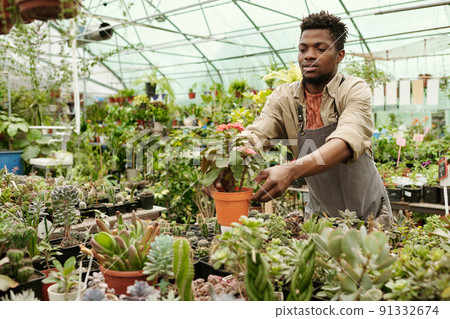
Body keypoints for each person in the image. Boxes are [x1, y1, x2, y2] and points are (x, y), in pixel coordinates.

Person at [209, 11, 393, 227]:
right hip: (319, 219)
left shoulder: (353, 89)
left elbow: (345, 142)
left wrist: (291, 170)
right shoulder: (284, 97)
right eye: (303, 49)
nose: (309, 55)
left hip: (369, 217)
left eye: (320, 48)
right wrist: (226, 162)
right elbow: (257, 134)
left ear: (339, 55)